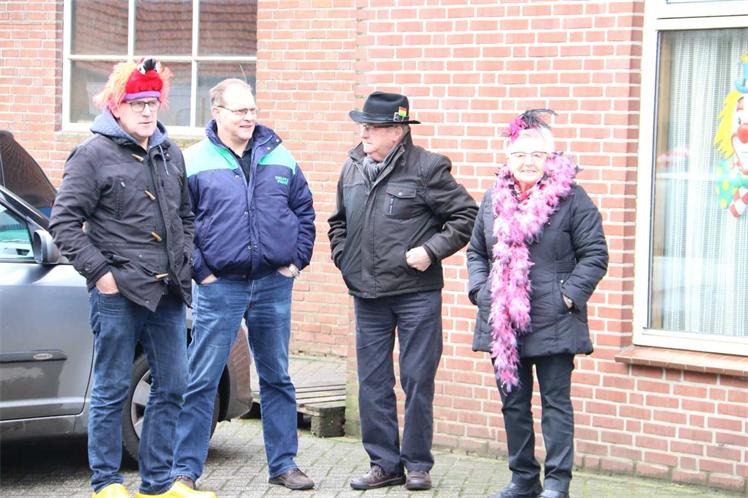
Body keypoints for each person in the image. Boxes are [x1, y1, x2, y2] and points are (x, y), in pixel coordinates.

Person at [50, 59, 194, 498]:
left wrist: (185, 256)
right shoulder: (91, 154)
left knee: (173, 386)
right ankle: (107, 482)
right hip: (117, 293)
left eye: (152, 102)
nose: (147, 111)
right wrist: (101, 275)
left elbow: (185, 216)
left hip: (168, 292)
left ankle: (159, 483)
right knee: (111, 388)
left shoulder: (170, 153)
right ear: (116, 105)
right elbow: (63, 223)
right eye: (136, 103)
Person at [170, 78, 316, 494]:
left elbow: (305, 211)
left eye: (252, 109)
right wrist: (202, 271)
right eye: (240, 110)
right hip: (220, 286)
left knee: (277, 377)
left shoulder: (280, 156)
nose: (249, 117)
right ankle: (185, 471)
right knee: (202, 378)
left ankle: (284, 465)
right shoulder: (193, 160)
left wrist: (295, 262)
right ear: (217, 112)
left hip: (273, 283)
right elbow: (179, 225)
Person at [328, 91, 478, 491]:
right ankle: (384, 465)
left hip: (416, 295)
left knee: (416, 379)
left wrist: (431, 251)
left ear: (397, 131)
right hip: (368, 295)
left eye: (371, 128)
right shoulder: (352, 167)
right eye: (362, 127)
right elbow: (338, 223)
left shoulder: (428, 167)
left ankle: (417, 465)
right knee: (372, 382)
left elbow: (466, 216)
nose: (363, 134)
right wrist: (345, 258)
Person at [466, 110, 608, 498]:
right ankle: (523, 479)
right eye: (519, 154)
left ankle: (557, 483)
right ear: (507, 158)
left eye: (536, 154)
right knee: (513, 406)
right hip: (503, 323)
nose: (527, 162)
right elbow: (477, 251)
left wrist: (567, 296)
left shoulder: (572, 198)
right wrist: (480, 291)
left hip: (554, 319)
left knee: (555, 404)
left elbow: (595, 254)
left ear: (550, 158)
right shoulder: (492, 199)